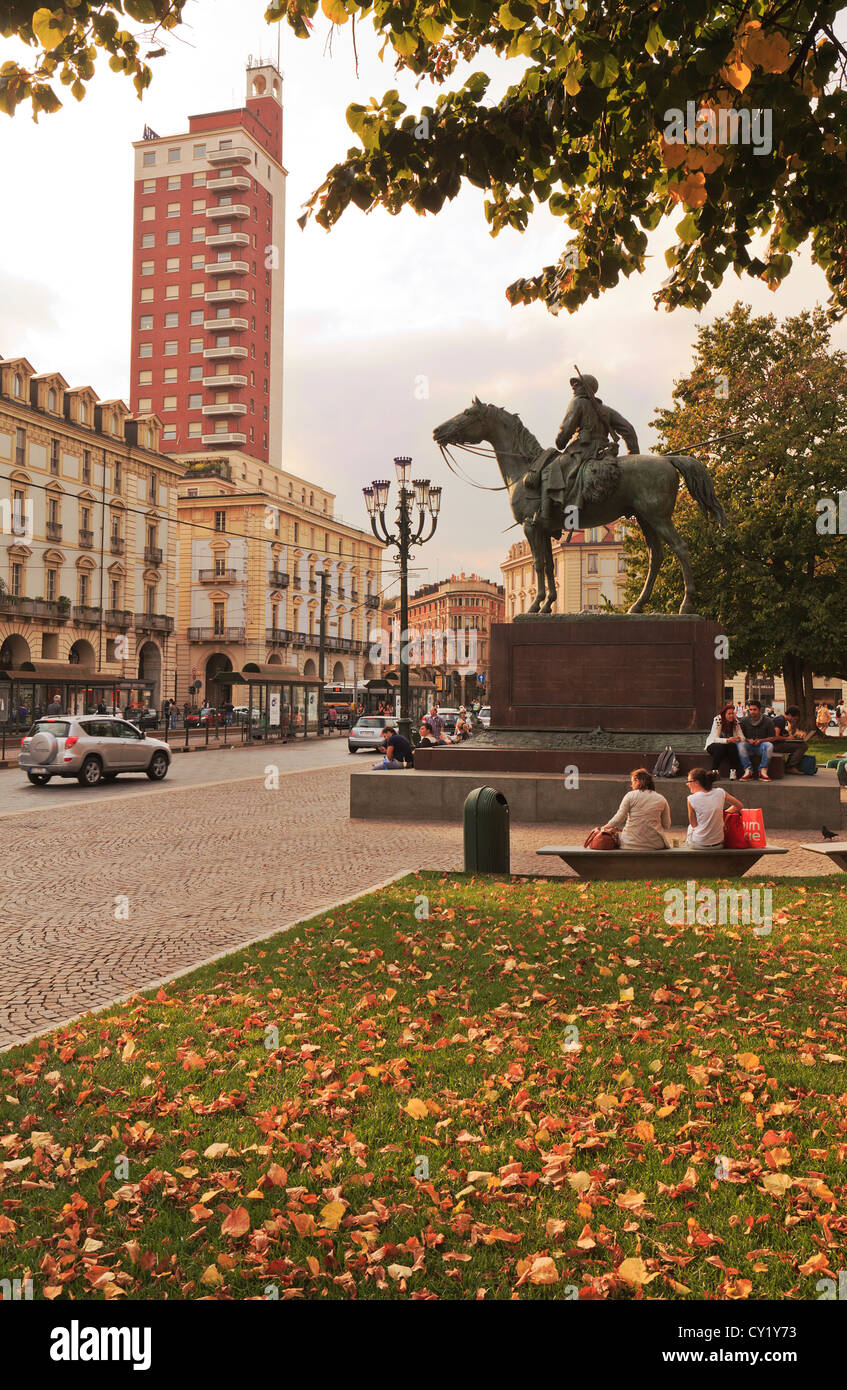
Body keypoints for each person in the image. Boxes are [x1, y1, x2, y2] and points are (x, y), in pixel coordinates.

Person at [523, 372, 640, 533]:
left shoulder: (577, 403)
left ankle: (545, 516)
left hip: (582, 451)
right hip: (603, 452)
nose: (573, 387)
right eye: (573, 384)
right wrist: (633, 456)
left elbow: (565, 429)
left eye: (577, 384)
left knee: (549, 470)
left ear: (587, 388)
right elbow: (629, 430)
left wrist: (561, 441)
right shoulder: (606, 410)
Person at [600, 768, 672, 849]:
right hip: (656, 844)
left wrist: (605, 827)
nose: (632, 786)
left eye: (632, 782)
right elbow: (667, 825)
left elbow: (619, 818)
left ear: (637, 780)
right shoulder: (661, 799)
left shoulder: (630, 796)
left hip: (629, 843)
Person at [685, 767, 744, 847]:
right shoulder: (720, 792)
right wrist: (722, 813)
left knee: (690, 828)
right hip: (718, 843)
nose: (687, 784)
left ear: (696, 782)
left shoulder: (691, 799)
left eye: (689, 781)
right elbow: (739, 806)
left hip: (699, 844)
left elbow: (694, 824)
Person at [705, 702, 745, 779]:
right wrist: (727, 740)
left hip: (728, 747)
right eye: (729, 714)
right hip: (714, 745)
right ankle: (714, 771)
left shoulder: (735, 721)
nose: (731, 716)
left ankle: (733, 771)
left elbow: (742, 737)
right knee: (719, 747)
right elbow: (714, 739)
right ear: (724, 714)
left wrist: (738, 739)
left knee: (732, 746)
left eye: (732, 713)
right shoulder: (718, 720)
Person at [738, 700, 776, 781]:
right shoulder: (744, 721)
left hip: (761, 747)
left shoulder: (768, 721)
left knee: (769, 745)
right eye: (750, 710)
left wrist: (761, 740)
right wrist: (748, 740)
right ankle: (748, 771)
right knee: (740, 745)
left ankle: (763, 771)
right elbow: (740, 736)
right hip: (748, 746)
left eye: (754, 709)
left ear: (759, 710)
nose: (752, 712)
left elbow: (773, 738)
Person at [772, 705, 809, 774]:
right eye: (794, 719)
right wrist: (787, 738)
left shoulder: (782, 720)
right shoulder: (780, 720)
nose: (794, 721)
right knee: (803, 746)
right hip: (774, 745)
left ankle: (790, 765)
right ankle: (790, 767)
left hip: (776, 744)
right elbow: (774, 736)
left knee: (801, 744)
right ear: (789, 715)